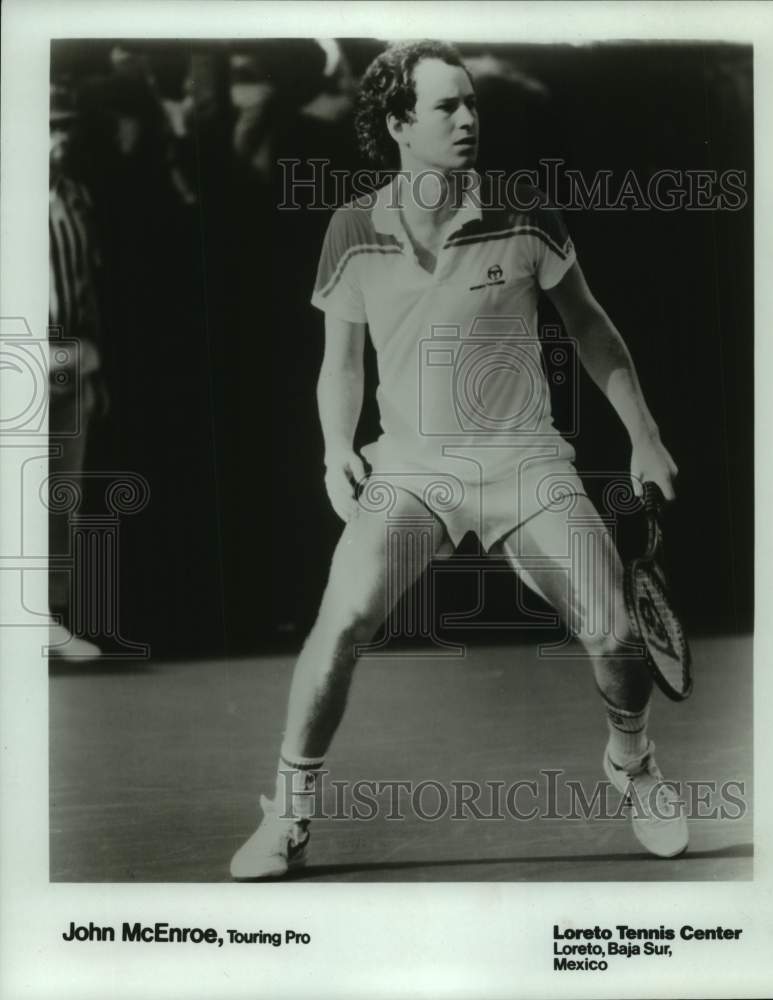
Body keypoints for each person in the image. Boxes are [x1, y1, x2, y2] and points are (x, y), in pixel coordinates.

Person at [230, 40, 687, 879]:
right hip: (409, 470)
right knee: (340, 624)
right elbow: (340, 364)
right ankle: (289, 817)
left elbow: (590, 327)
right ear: (398, 123)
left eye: (472, 102)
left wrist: (643, 434)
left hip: (526, 465)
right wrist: (335, 449)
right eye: (446, 106)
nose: (469, 118)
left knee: (617, 638)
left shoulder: (524, 211)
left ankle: (631, 761)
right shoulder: (350, 230)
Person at [47, 82, 106, 660]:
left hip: (72, 359)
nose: (59, 140)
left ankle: (48, 613)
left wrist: (93, 360)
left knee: (61, 493)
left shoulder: (75, 197)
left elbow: (88, 283)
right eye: (48, 128)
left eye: (64, 128)